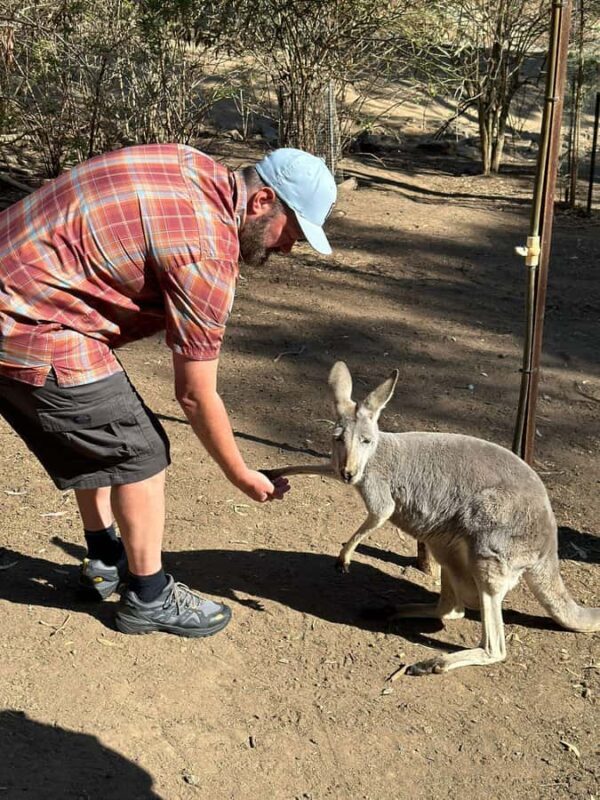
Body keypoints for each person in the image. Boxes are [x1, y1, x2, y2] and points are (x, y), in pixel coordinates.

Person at [0, 144, 337, 637]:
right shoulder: (208, 250)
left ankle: (105, 557)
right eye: (293, 233)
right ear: (262, 201)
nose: (287, 248)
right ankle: (149, 596)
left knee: (100, 430)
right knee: (139, 451)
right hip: (30, 322)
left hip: (26, 288)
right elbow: (195, 394)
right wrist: (241, 474)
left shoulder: (186, 161)